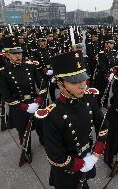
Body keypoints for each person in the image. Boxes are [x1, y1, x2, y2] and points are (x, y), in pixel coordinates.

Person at [36, 51, 108, 189]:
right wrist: (81, 164)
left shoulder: (88, 99)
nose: (82, 85)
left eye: (83, 79)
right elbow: (55, 156)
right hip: (68, 167)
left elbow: (103, 125)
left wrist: (94, 155)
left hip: (88, 155)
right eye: (75, 81)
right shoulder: (52, 114)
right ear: (60, 84)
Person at [0, 34, 47, 165]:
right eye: (14, 53)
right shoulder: (4, 73)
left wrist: (38, 101)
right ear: (7, 55)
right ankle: (27, 150)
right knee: (24, 131)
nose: (18, 55)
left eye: (19, 52)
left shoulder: (30, 67)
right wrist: (25, 107)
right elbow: (7, 96)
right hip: (19, 107)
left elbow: (42, 85)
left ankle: (44, 141)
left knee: (42, 126)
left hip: (35, 102)